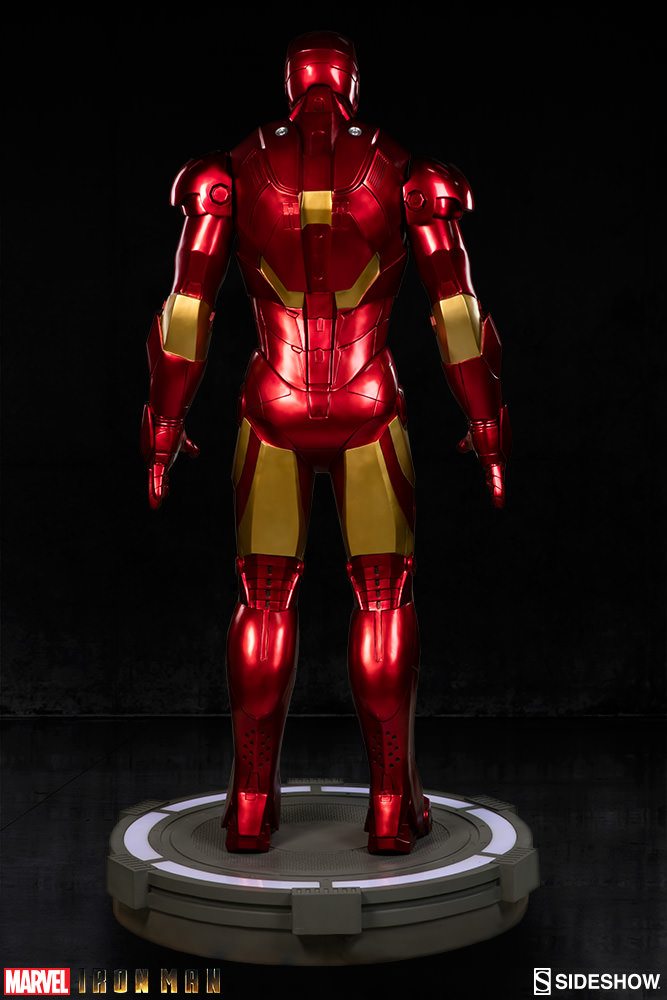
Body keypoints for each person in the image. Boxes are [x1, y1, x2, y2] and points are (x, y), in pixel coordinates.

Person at [141, 31, 511, 854]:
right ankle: (389, 808)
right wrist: (486, 427)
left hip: (271, 407)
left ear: (292, 84)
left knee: (263, 599)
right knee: (381, 599)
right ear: (350, 85)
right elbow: (456, 313)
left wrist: (164, 429)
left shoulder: (228, 175)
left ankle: (249, 807)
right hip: (366, 407)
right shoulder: (408, 175)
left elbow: (186, 312)